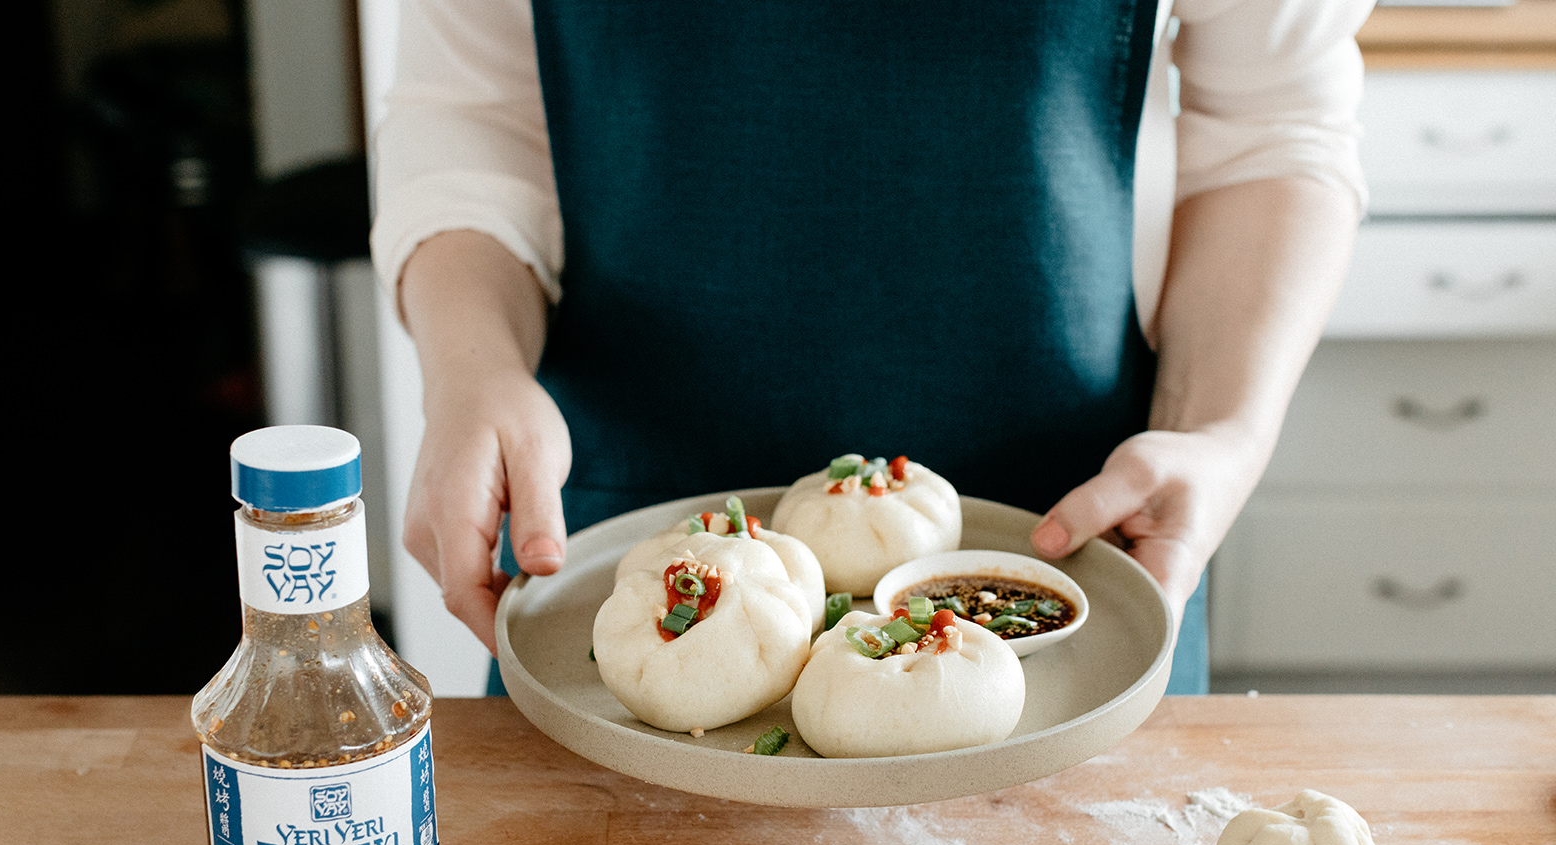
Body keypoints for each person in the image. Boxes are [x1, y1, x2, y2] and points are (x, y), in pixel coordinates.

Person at [372, 0, 1373, 695]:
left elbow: (1272, 121)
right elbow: (473, 123)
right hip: (621, 544)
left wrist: (1219, 430)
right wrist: (474, 371)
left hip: (1070, 548)